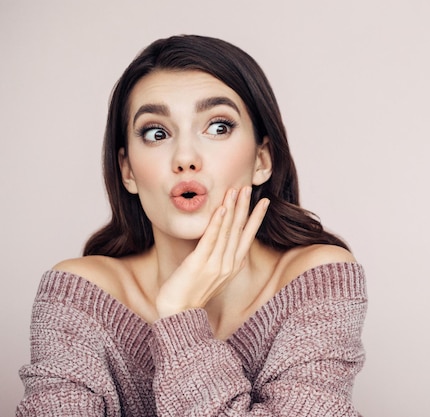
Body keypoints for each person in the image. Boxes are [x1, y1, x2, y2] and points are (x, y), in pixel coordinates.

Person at [16, 35, 367, 416]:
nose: (185, 158)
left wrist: (179, 315)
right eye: (157, 133)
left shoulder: (313, 281)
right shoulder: (80, 298)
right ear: (128, 170)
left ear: (262, 159)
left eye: (218, 127)